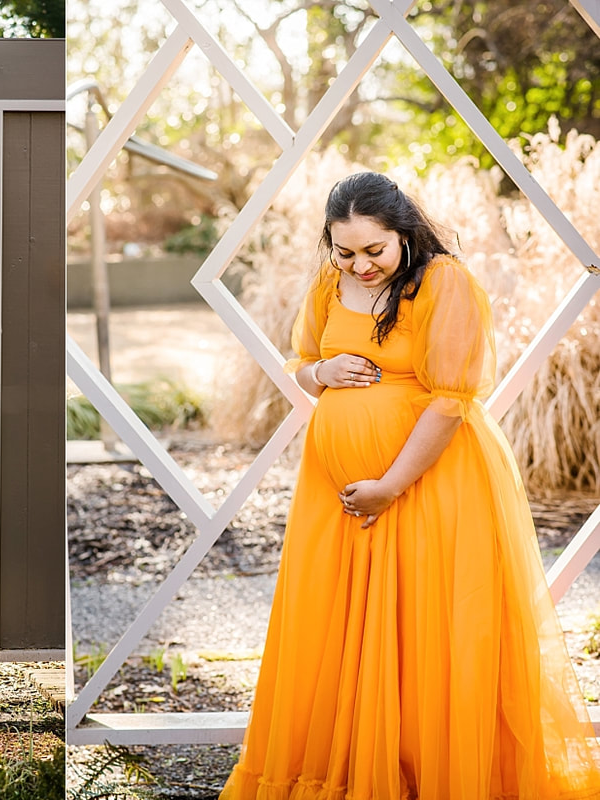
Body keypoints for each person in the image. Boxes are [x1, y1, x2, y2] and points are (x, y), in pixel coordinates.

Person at [221, 172, 600, 799]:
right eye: (345, 251)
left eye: (375, 250)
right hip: (335, 496)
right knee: (341, 634)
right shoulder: (328, 282)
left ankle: (428, 776)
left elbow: (450, 401)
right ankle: (353, 773)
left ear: (403, 232)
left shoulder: (441, 282)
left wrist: (389, 485)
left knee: (423, 632)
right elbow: (301, 363)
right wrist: (321, 369)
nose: (360, 265)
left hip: (426, 487)